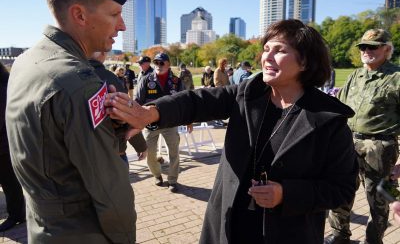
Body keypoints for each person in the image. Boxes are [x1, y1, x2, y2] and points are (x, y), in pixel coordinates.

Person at [106, 19, 359, 244]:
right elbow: (196, 101)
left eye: (280, 50)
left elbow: (343, 188)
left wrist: (286, 194)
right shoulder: (248, 93)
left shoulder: (329, 120)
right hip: (228, 226)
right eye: (266, 49)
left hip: (287, 231)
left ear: (305, 61)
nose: (267, 57)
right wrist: (150, 113)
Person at [6, 0, 137, 242]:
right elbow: (110, 191)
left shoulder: (26, 61)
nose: (123, 25)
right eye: (115, 14)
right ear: (79, 15)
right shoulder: (80, 84)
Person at [325, 28, 400, 244]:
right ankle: (340, 237)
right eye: (363, 47)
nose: (366, 51)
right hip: (348, 144)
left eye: (373, 46)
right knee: (340, 191)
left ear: (387, 49)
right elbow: (339, 109)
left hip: (381, 148)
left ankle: (373, 241)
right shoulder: (355, 76)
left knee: (380, 199)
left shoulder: (396, 78)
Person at [135, 53, 184, 193]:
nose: (158, 65)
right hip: (151, 124)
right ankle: (157, 175)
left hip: (170, 123)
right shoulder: (146, 80)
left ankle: (173, 180)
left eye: (161, 63)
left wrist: (188, 120)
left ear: (168, 64)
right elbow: (138, 101)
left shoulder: (176, 81)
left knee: (173, 152)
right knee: (150, 153)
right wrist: (139, 120)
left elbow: (183, 101)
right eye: (156, 62)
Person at [89, 52, 147, 164]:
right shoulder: (110, 78)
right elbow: (127, 116)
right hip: (113, 152)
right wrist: (141, 146)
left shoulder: (69, 77)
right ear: (102, 54)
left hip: (82, 156)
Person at [0, 62, 25, 232]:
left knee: (9, 182)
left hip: (4, 145)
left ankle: (17, 215)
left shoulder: (2, 88)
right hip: (6, 143)